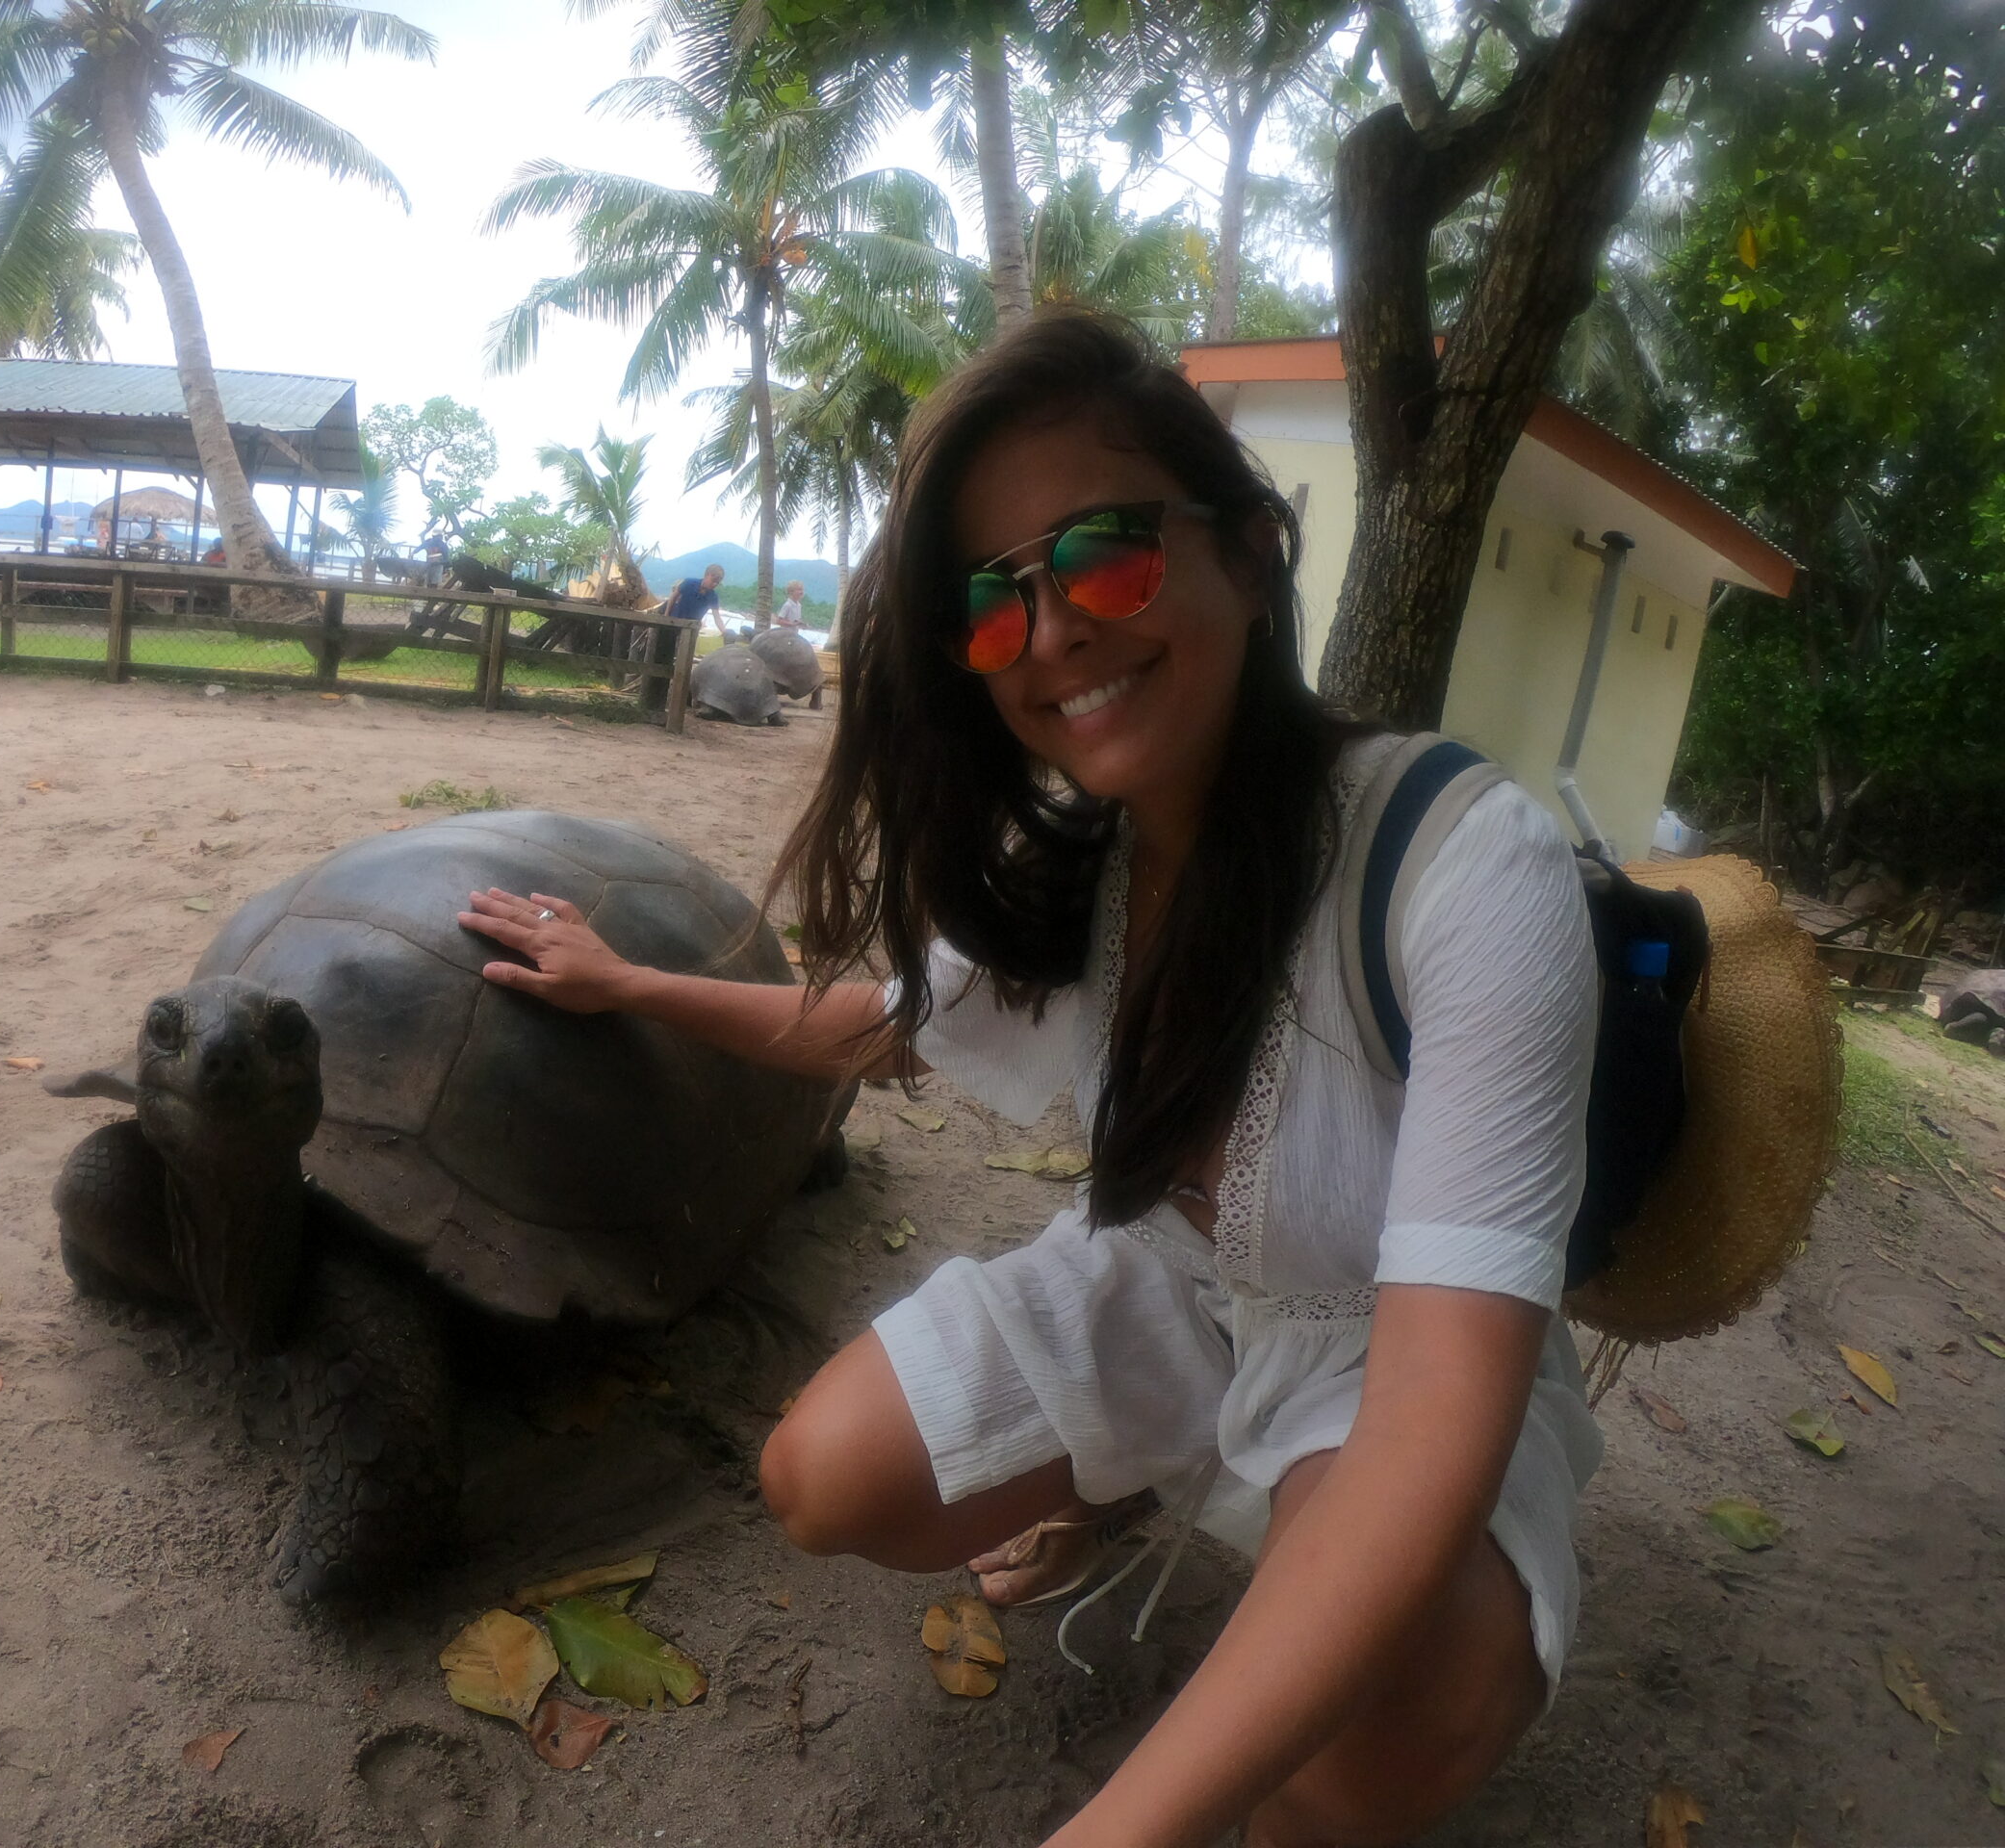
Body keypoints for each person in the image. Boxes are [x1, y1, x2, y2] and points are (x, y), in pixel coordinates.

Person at [455, 312, 1601, 1848]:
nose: (1053, 629)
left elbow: (1426, 1428)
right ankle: (1140, 1473)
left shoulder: (1465, 867)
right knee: (823, 1478)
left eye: (1107, 555)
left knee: (1387, 1722)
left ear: (1250, 555)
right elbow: (875, 1021)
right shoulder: (1086, 872)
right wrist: (626, 983)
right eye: (995, 603)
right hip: (1180, 1284)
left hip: (1387, 1350)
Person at [662, 562, 726, 636]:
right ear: (707, 575)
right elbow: (673, 597)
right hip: (674, 623)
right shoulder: (689, 583)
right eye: (713, 581)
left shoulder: (713, 597)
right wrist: (666, 616)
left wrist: (724, 631)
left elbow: (717, 617)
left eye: (717, 583)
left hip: (692, 630)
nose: (715, 584)